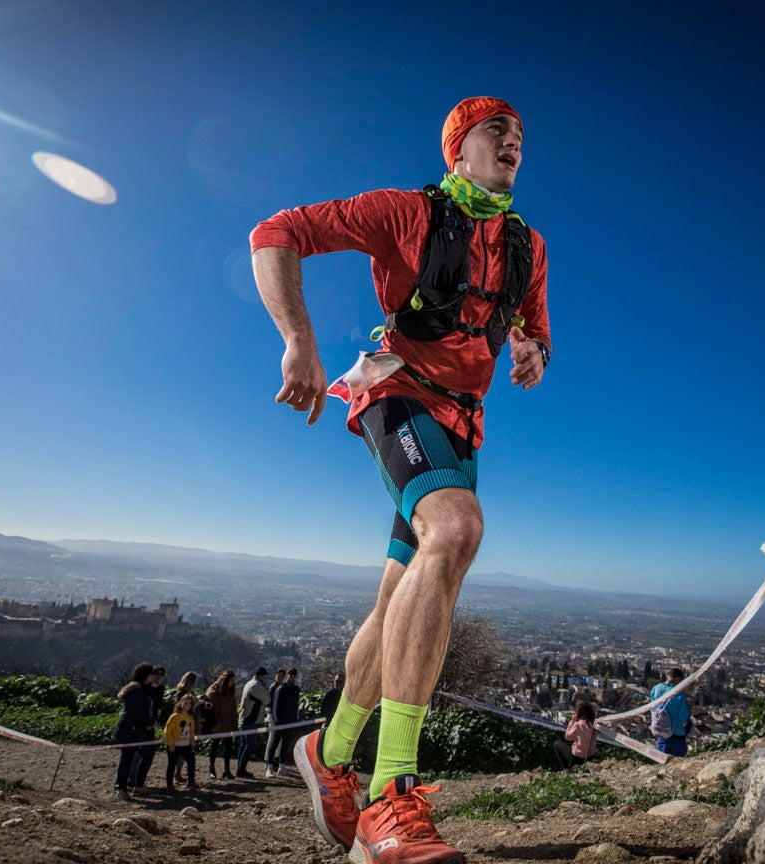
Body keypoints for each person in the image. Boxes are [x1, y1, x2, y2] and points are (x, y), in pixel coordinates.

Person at [251, 95, 550, 864]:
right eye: (496, 131)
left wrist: (531, 351)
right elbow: (276, 233)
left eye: (519, 135)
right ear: (459, 148)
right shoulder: (404, 212)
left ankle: (330, 752)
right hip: (398, 393)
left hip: (461, 424)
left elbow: (533, 326)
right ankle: (390, 796)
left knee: (399, 603)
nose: (512, 141)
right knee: (455, 529)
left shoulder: (529, 246)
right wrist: (299, 341)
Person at [113, 662, 157, 800]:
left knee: (148, 754)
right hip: (129, 730)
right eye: (151, 673)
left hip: (143, 730)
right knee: (127, 757)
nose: (154, 676)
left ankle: (138, 786)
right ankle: (120, 787)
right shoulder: (134, 691)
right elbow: (135, 712)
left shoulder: (148, 690)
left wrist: (152, 722)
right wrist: (150, 722)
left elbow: (151, 708)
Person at [132, 664, 167, 789]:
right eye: (155, 674)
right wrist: (147, 722)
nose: (158, 677)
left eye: (160, 674)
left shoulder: (159, 688)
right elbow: (137, 710)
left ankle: (138, 781)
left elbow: (158, 707)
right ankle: (133, 779)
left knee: (147, 753)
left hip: (151, 723)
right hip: (141, 725)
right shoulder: (140, 688)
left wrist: (154, 721)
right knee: (136, 752)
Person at [236, 666, 271, 779]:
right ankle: (241, 769)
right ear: (260, 676)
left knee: (243, 745)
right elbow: (267, 700)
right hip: (252, 719)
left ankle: (239, 767)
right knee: (249, 745)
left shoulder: (249, 683)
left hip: (245, 718)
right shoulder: (257, 686)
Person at [650, 668, 692, 757]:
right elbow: (683, 716)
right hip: (675, 735)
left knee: (662, 760)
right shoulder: (678, 694)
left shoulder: (656, 689)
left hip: (660, 731)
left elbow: (652, 708)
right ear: (677, 679)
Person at [265, 667, 300, 776]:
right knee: (274, 742)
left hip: (290, 721)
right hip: (280, 721)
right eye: (290, 676)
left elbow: (296, 705)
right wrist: (276, 720)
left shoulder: (296, 689)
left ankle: (282, 766)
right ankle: (269, 767)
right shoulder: (281, 688)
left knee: (285, 744)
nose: (292, 678)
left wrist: (296, 718)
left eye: (294, 676)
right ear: (287, 676)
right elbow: (275, 705)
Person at [165, 693, 203, 792]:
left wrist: (192, 739)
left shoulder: (190, 716)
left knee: (191, 762)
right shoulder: (174, 716)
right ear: (180, 703)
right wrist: (171, 743)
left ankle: (191, 781)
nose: (187, 705)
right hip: (175, 745)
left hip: (186, 744)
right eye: (185, 703)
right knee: (172, 765)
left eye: (189, 704)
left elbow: (191, 728)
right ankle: (169, 785)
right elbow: (168, 730)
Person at [205, 670, 238, 779]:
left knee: (228, 747)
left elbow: (233, 710)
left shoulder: (231, 693)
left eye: (233, 680)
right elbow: (209, 709)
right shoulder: (214, 692)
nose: (232, 683)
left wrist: (235, 725)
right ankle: (212, 769)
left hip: (228, 725)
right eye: (231, 680)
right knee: (215, 746)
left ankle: (227, 770)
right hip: (217, 724)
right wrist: (214, 723)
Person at [554, 701, 597, 770]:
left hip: (577, 758)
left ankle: (566, 769)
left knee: (556, 744)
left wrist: (572, 721)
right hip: (589, 757)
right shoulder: (592, 725)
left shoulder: (578, 724)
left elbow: (567, 737)